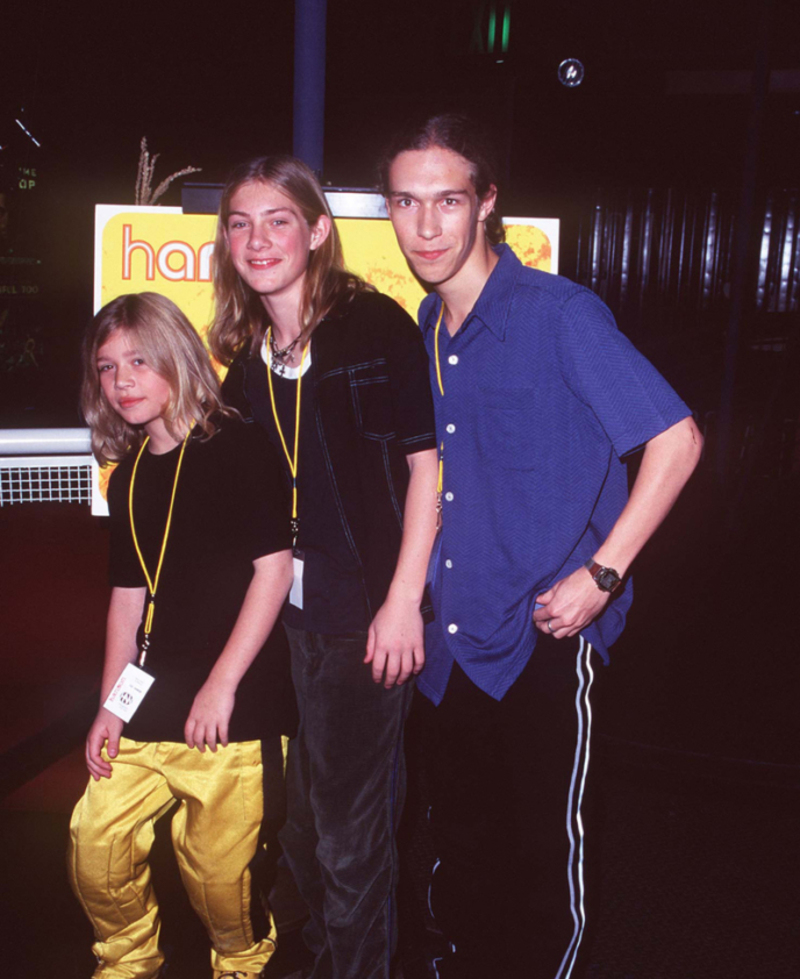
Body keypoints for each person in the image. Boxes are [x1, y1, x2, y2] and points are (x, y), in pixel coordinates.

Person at [381, 114, 704, 979]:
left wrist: (604, 572)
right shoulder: (426, 324)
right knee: (457, 851)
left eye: (447, 200)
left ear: (487, 203)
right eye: (406, 203)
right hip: (451, 641)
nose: (426, 226)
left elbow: (676, 440)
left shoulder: (560, 315)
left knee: (538, 866)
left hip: (541, 638)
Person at [208, 156, 439, 979]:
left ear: (316, 230)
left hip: (362, 617)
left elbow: (426, 467)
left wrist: (404, 599)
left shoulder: (373, 326)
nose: (257, 237)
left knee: (350, 836)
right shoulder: (247, 360)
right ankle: (328, 955)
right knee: (303, 828)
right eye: (241, 222)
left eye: (278, 220)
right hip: (286, 622)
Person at [68, 292, 296, 979]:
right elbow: (126, 598)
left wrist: (221, 683)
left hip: (236, 702)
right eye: (107, 368)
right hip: (149, 696)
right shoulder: (130, 471)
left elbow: (274, 572)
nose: (123, 380)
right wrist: (110, 703)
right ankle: (128, 960)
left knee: (218, 874)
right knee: (95, 841)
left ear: (178, 356)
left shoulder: (240, 444)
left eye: (139, 360)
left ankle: (241, 963)